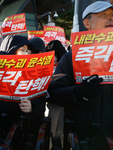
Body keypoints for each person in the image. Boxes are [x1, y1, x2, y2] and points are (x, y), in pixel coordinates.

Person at [47, 1, 113, 149]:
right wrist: (79, 93)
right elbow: (54, 92)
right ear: (87, 23)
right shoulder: (71, 57)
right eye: (104, 15)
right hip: (82, 135)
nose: (111, 19)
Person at [45, 40, 67, 148]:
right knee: (52, 130)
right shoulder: (45, 64)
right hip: (51, 102)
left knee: (58, 130)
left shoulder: (64, 65)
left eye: (54, 54)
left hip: (59, 101)